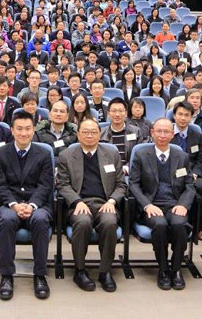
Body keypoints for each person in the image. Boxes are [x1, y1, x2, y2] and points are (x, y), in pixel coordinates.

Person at [55, 119, 126, 292]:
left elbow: (121, 184)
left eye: (93, 132)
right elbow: (62, 184)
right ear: (78, 134)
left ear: (99, 134)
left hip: (105, 203)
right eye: (85, 132)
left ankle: (105, 271)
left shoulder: (111, 153)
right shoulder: (66, 155)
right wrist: (77, 201)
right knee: (83, 222)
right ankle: (80, 270)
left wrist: (112, 201)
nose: (89, 135)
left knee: (109, 222)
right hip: (79, 203)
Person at [0, 110, 55, 300]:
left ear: (34, 130)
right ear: (12, 130)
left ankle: (40, 275)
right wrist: (14, 205)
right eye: (19, 129)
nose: (24, 133)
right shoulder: (1, 153)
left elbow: (46, 185)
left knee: (41, 219)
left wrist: (32, 205)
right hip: (9, 204)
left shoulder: (44, 153)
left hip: (38, 204)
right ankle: (7, 275)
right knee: (8, 221)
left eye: (28, 129)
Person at [130, 118, 196, 291]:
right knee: (159, 225)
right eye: (158, 131)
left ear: (172, 134)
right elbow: (134, 184)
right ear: (152, 133)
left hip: (175, 204)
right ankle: (163, 269)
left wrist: (183, 204)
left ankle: (176, 269)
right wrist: (147, 205)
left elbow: (189, 185)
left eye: (166, 131)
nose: (162, 135)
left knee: (179, 224)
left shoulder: (181, 156)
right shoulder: (141, 155)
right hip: (151, 205)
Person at [100, 98, 146, 166]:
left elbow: (139, 155)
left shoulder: (136, 132)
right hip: (108, 171)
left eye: (121, 111)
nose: (117, 114)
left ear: (126, 113)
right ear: (108, 114)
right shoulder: (101, 133)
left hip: (130, 170)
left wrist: (127, 167)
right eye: (114, 111)